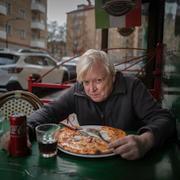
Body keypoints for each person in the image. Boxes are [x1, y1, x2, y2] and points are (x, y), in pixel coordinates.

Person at [1, 49, 177, 160]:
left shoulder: (132, 87)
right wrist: (25, 130)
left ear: (113, 76)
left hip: (130, 164)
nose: (91, 89)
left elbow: (165, 119)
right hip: (85, 162)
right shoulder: (78, 90)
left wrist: (145, 141)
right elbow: (48, 112)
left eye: (98, 80)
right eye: (86, 82)